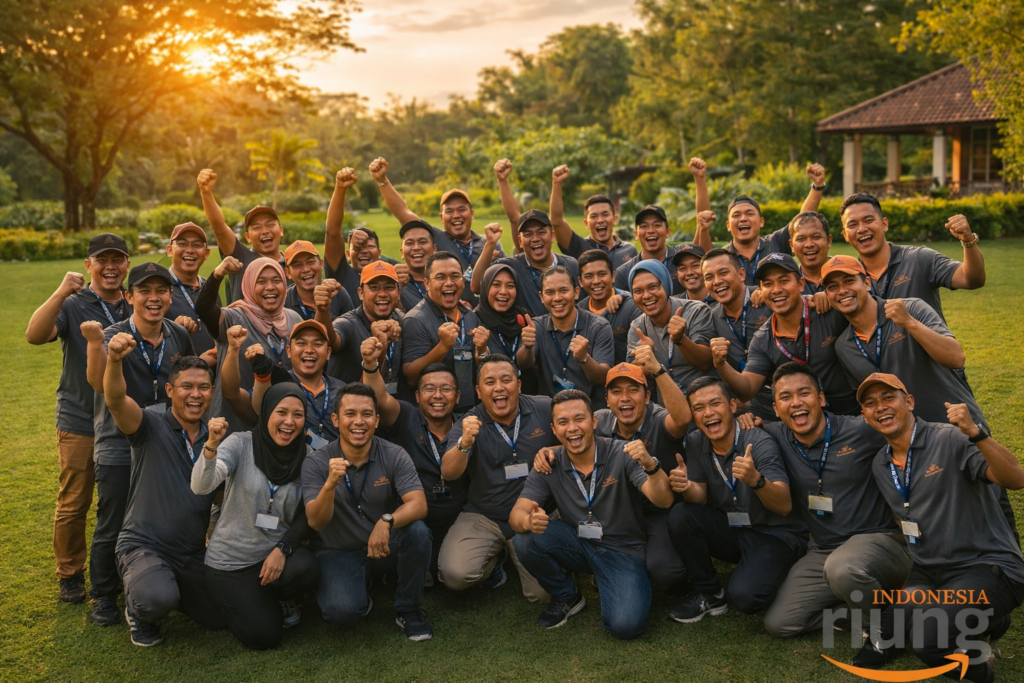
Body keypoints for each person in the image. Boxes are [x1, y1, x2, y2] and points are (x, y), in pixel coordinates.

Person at [853, 374, 1024, 682]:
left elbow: (1015, 479)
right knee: (881, 640)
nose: (880, 407)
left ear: (909, 402)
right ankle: (990, 623)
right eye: (870, 403)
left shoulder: (949, 438)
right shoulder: (881, 464)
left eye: (888, 397)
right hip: (931, 570)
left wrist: (976, 432)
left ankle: (981, 668)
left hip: (985, 566)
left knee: (927, 640)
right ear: (865, 416)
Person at [753, 363, 911, 640]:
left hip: (880, 540)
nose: (797, 403)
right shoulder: (774, 435)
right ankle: (867, 607)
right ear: (776, 409)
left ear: (822, 398)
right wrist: (746, 419)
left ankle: (881, 631)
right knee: (781, 623)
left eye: (804, 393)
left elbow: (910, 433)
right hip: (825, 549)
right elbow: (741, 425)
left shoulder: (861, 430)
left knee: (843, 568)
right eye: (786, 397)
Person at [81, 262, 195, 627]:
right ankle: (103, 594)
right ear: (129, 297)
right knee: (113, 520)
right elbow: (98, 384)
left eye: (161, 290)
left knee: (159, 517)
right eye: (144, 291)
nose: (154, 298)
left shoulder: (178, 335)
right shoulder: (114, 335)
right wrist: (103, 348)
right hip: (119, 444)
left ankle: (155, 579)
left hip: (164, 445)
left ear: (171, 296)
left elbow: (189, 375)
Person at [511, 389, 673, 638]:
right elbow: (516, 514)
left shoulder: (623, 453)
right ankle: (568, 595)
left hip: (623, 550)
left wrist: (651, 465)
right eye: (563, 422)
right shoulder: (548, 463)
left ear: (594, 421)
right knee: (525, 538)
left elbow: (663, 500)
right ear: (554, 429)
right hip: (579, 543)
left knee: (625, 626)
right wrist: (527, 520)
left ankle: (618, 582)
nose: (572, 428)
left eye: (579, 419)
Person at [25, 233, 131, 606]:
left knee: (121, 500)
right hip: (80, 419)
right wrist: (59, 292)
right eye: (102, 260)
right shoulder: (73, 304)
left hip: (123, 421)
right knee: (75, 502)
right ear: (89, 266)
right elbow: (35, 335)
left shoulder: (135, 304)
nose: (111, 266)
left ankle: (120, 567)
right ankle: (70, 574)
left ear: (127, 265)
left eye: (118, 259)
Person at [103, 349, 226, 646]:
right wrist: (115, 360)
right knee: (155, 599)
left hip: (191, 551)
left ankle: (171, 588)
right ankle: (140, 608)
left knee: (221, 617)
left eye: (203, 387)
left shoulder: (216, 438)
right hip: (144, 545)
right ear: (170, 390)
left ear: (212, 392)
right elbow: (116, 400)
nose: (195, 395)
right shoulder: (148, 425)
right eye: (187, 386)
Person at [536, 356, 692, 589]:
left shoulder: (659, 419)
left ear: (647, 397)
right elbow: (578, 438)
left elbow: (682, 419)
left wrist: (658, 371)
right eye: (616, 392)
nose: (625, 398)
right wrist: (550, 450)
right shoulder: (601, 419)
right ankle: (615, 569)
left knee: (667, 572)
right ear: (607, 400)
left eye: (633, 390)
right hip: (615, 509)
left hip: (657, 509)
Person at [666, 377, 806, 623]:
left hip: (774, 533)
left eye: (715, 403)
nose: (708, 413)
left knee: (745, 598)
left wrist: (756, 480)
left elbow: (784, 506)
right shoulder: (698, 441)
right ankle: (710, 594)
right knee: (681, 514)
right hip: (734, 528)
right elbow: (698, 496)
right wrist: (687, 486)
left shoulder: (759, 442)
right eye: (698, 408)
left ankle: (788, 574)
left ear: (732, 406)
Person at [192, 384, 320, 649]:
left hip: (272, 557)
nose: (289, 422)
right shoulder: (241, 443)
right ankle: (221, 601)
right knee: (265, 637)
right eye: (281, 412)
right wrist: (211, 446)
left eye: (298, 415)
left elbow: (307, 516)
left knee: (306, 566)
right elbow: (201, 487)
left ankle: (275, 597)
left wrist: (283, 549)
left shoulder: (307, 456)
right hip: (230, 562)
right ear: (266, 413)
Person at [302, 383, 433, 641]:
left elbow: (419, 504)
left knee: (418, 532)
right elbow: (315, 522)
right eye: (350, 414)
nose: (358, 422)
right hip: (340, 550)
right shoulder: (317, 462)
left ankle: (408, 608)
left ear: (377, 420)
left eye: (367, 414)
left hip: (383, 543)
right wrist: (329, 485)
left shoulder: (393, 453)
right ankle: (362, 585)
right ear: (336, 420)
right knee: (341, 612)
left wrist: (387, 521)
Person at [437, 355, 557, 603]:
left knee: (544, 594)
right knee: (454, 575)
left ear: (519, 385)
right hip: (485, 514)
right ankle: (495, 559)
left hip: (533, 514)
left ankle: (519, 552)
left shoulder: (544, 408)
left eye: (506, 380)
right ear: (479, 392)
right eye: (490, 382)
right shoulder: (468, 422)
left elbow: (578, 435)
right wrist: (464, 444)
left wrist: (555, 451)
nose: (499, 388)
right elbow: (448, 472)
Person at [820, 255, 987, 430]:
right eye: (832, 287)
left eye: (849, 281)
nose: (842, 290)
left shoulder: (911, 308)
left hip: (958, 426)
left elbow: (956, 358)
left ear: (867, 283)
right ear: (827, 295)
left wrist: (909, 323)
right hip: (909, 444)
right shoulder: (843, 347)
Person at [362, 326, 469, 583]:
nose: (438, 396)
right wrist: (370, 364)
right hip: (414, 520)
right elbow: (378, 397)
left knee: (451, 570)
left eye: (446, 390)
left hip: (459, 520)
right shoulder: (407, 416)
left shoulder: (468, 423)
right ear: (418, 396)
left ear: (457, 397)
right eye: (430, 389)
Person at [711, 253, 858, 416]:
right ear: (761, 291)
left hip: (848, 414)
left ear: (801, 284)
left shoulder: (826, 310)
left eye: (784, 281)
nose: (776, 290)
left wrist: (831, 297)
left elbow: (867, 308)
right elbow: (747, 390)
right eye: (768, 284)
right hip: (800, 418)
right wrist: (722, 365)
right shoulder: (762, 339)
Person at [370, 157, 503, 306]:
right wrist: (382, 181)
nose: (456, 215)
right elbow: (403, 212)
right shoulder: (436, 237)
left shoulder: (489, 244)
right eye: (449, 211)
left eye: (461, 209)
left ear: (472, 213)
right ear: (441, 217)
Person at [839, 193, 985, 323]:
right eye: (852, 224)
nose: (862, 229)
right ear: (845, 234)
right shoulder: (850, 279)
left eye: (868, 220)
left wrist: (968, 240)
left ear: (884, 224)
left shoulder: (919, 258)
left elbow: (971, 279)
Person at [196, 256, 301, 436]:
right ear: (249, 285)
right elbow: (204, 308)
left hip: (280, 427)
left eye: (277, 281)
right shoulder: (233, 317)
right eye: (261, 281)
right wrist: (218, 274)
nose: (270, 287)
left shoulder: (294, 319)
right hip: (232, 425)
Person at [693, 163, 827, 286]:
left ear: (761, 222)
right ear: (728, 225)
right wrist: (703, 229)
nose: (743, 219)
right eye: (736, 215)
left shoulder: (775, 243)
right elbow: (705, 257)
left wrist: (817, 186)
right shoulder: (725, 256)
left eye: (749, 213)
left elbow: (802, 222)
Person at [224, 319, 346, 449]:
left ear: (328, 353)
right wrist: (235, 350)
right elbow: (258, 407)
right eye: (301, 343)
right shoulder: (278, 382)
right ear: (288, 351)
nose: (309, 350)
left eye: (317, 344)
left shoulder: (342, 390)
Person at [517, 267, 614, 409]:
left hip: (591, 410)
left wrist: (585, 359)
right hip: (551, 411)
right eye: (549, 292)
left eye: (563, 290)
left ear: (576, 292)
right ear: (541, 297)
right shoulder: (536, 326)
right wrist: (527, 347)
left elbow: (604, 378)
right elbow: (524, 364)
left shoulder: (598, 326)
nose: (557, 298)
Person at [401, 252, 486, 410]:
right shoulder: (416, 319)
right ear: (426, 283)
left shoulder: (470, 316)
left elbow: (480, 367)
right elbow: (411, 378)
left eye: (455, 276)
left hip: (470, 408)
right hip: (437, 413)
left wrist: (483, 350)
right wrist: (442, 347)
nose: (449, 283)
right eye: (440, 277)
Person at [625, 260, 714, 406]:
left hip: (705, 404)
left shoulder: (697, 311)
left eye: (653, 287)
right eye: (638, 291)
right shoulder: (637, 326)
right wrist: (647, 359)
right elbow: (633, 373)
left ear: (666, 285)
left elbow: (705, 363)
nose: (646, 296)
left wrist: (681, 340)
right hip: (668, 410)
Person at [700, 248, 775, 420]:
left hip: (784, 390)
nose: (717, 281)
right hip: (747, 400)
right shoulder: (711, 316)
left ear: (741, 274)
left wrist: (813, 298)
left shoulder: (767, 297)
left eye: (723, 272)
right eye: (709, 277)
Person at [315, 262, 405, 396]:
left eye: (389, 287)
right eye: (374, 288)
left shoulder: (400, 319)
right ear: (360, 293)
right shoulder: (347, 323)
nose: (382, 293)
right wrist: (322, 310)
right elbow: (327, 340)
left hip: (390, 403)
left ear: (398, 293)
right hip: (350, 408)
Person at [197, 168, 285, 304]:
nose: (264, 231)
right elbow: (219, 228)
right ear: (248, 237)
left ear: (280, 230)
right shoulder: (240, 258)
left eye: (270, 225)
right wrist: (206, 192)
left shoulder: (293, 263)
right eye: (256, 227)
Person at [472, 212, 580, 317]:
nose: (535, 238)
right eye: (528, 234)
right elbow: (476, 287)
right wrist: (490, 243)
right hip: (527, 334)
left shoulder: (571, 265)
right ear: (520, 241)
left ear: (552, 236)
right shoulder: (510, 266)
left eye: (541, 232)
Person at [547, 164, 637, 269]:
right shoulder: (579, 246)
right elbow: (556, 221)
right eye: (593, 216)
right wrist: (557, 183)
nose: (600, 220)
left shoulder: (630, 250)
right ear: (586, 223)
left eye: (605, 214)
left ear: (615, 219)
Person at [577, 249, 640, 365]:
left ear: (613, 276)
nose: (596, 281)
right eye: (589, 276)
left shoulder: (631, 305)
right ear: (580, 281)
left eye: (602, 274)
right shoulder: (578, 312)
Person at [164, 222, 216, 358]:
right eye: (182, 244)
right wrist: (174, 329)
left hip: (215, 375)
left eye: (197, 245)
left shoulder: (210, 287)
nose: (190, 250)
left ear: (206, 253)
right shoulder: (159, 289)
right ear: (169, 250)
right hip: (177, 375)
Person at [613, 205, 685, 295]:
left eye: (657, 225)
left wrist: (703, 229)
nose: (650, 230)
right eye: (644, 226)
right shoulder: (624, 272)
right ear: (636, 234)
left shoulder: (682, 259)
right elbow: (625, 306)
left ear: (667, 232)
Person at [283, 239, 353, 321]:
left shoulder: (337, 293)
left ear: (321, 263)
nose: (306, 269)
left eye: (310, 262)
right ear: (288, 273)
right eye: (297, 265)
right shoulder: (284, 302)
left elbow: (351, 330)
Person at [474, 263, 529, 361]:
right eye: (496, 285)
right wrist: (482, 350)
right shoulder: (473, 321)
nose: (503, 291)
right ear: (485, 288)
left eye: (510, 286)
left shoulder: (526, 318)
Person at [395, 219, 437, 312]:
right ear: (402, 252)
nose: (416, 248)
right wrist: (396, 288)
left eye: (422, 242)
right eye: (409, 243)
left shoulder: (445, 279)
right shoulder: (395, 281)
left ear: (434, 249)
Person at [787, 212, 833, 295]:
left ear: (829, 241)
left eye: (816, 237)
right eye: (800, 239)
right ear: (792, 245)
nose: (809, 244)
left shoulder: (847, 273)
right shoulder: (788, 284)